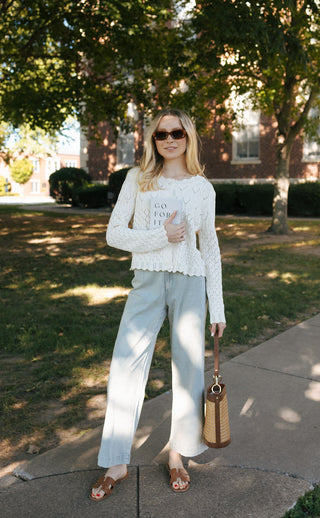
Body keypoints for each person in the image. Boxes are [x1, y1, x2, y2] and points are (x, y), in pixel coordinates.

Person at [90, 108, 226, 501]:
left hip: (190, 283)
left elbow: (211, 249)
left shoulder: (203, 188)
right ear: (153, 140)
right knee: (125, 363)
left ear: (188, 137)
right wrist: (159, 236)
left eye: (177, 133)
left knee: (186, 370)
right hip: (146, 281)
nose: (169, 139)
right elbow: (114, 234)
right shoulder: (139, 179)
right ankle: (116, 461)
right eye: (161, 134)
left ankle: (177, 455)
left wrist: (216, 307)